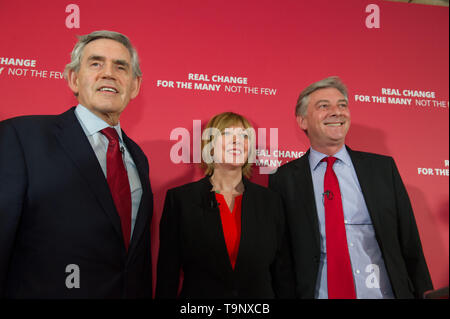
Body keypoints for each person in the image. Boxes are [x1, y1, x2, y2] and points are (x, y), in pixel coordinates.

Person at [0, 30, 153, 298]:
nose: (109, 73)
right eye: (96, 63)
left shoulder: (138, 157)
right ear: (73, 78)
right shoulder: (21, 137)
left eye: (121, 66)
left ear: (135, 86)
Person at [269, 76, 433, 299]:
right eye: (324, 106)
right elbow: (282, 258)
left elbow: (410, 244)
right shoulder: (284, 179)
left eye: (342, 105)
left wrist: (425, 294)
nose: (337, 112)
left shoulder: (383, 169)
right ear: (302, 121)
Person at [156, 112, 294, 298]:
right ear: (210, 146)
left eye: (244, 137)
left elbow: (282, 272)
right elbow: (168, 273)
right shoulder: (181, 200)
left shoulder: (270, 202)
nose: (237, 141)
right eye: (227, 135)